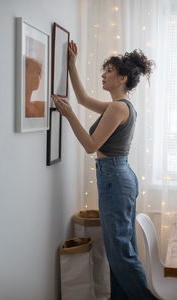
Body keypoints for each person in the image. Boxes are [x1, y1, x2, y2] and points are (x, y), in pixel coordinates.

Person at [52, 41, 158, 300]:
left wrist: (69, 115)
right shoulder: (119, 106)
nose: (103, 74)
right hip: (118, 176)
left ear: (122, 78)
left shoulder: (119, 108)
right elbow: (83, 99)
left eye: (109, 71)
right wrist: (71, 66)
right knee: (122, 248)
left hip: (115, 178)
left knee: (120, 251)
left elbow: (91, 145)